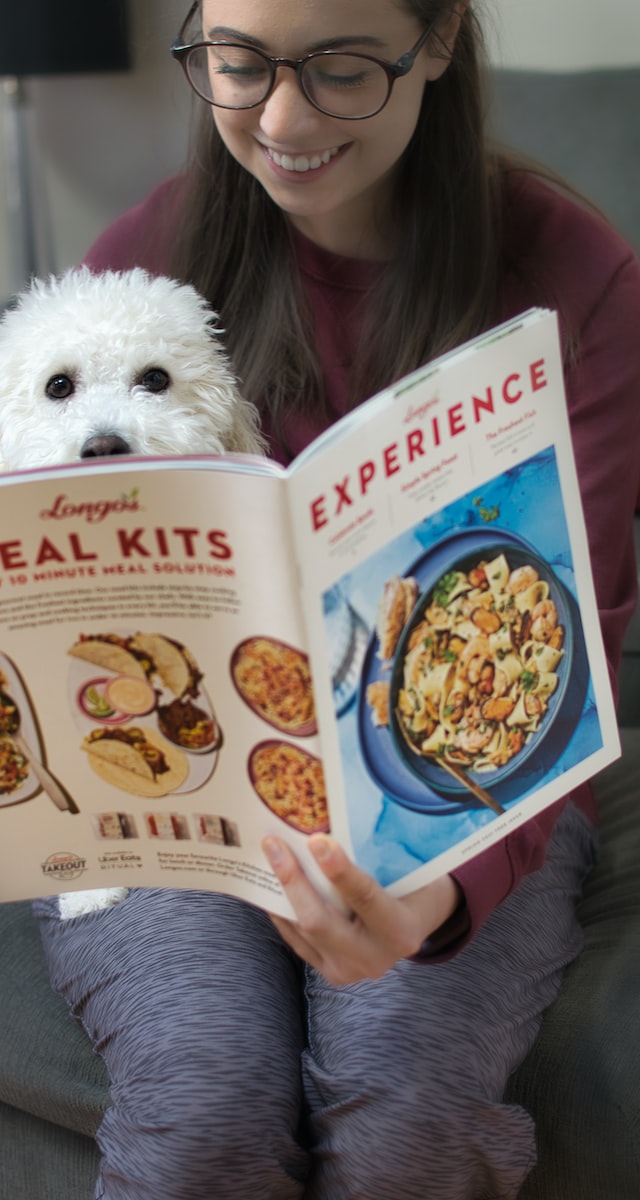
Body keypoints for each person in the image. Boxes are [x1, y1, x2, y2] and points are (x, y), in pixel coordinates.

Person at [33, 2, 640, 1197]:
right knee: (202, 1102)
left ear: (441, 39)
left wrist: (438, 895)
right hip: (181, 784)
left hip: (459, 792)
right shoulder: (134, 269)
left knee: (405, 1113)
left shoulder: (575, 282)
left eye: (343, 69)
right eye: (239, 63)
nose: (281, 119)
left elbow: (573, 646)